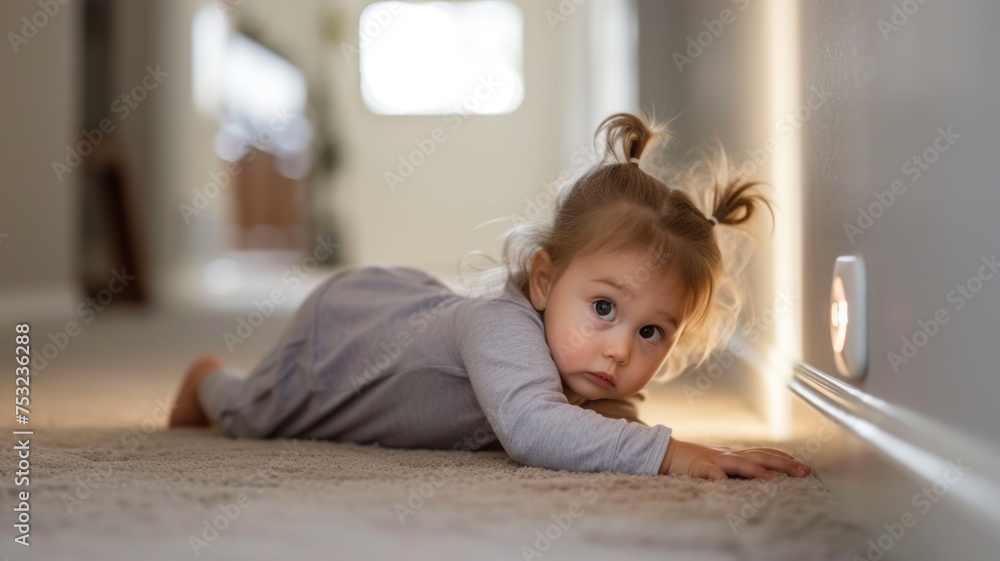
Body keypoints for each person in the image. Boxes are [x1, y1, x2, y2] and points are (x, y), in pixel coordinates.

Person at [169, 113, 811, 480]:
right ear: (543, 281)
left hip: (416, 310)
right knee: (251, 415)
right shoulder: (501, 331)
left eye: (651, 333)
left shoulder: (585, 366)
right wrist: (673, 454)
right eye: (605, 309)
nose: (619, 349)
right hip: (339, 339)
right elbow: (535, 432)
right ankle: (207, 381)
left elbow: (593, 427)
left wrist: (636, 434)